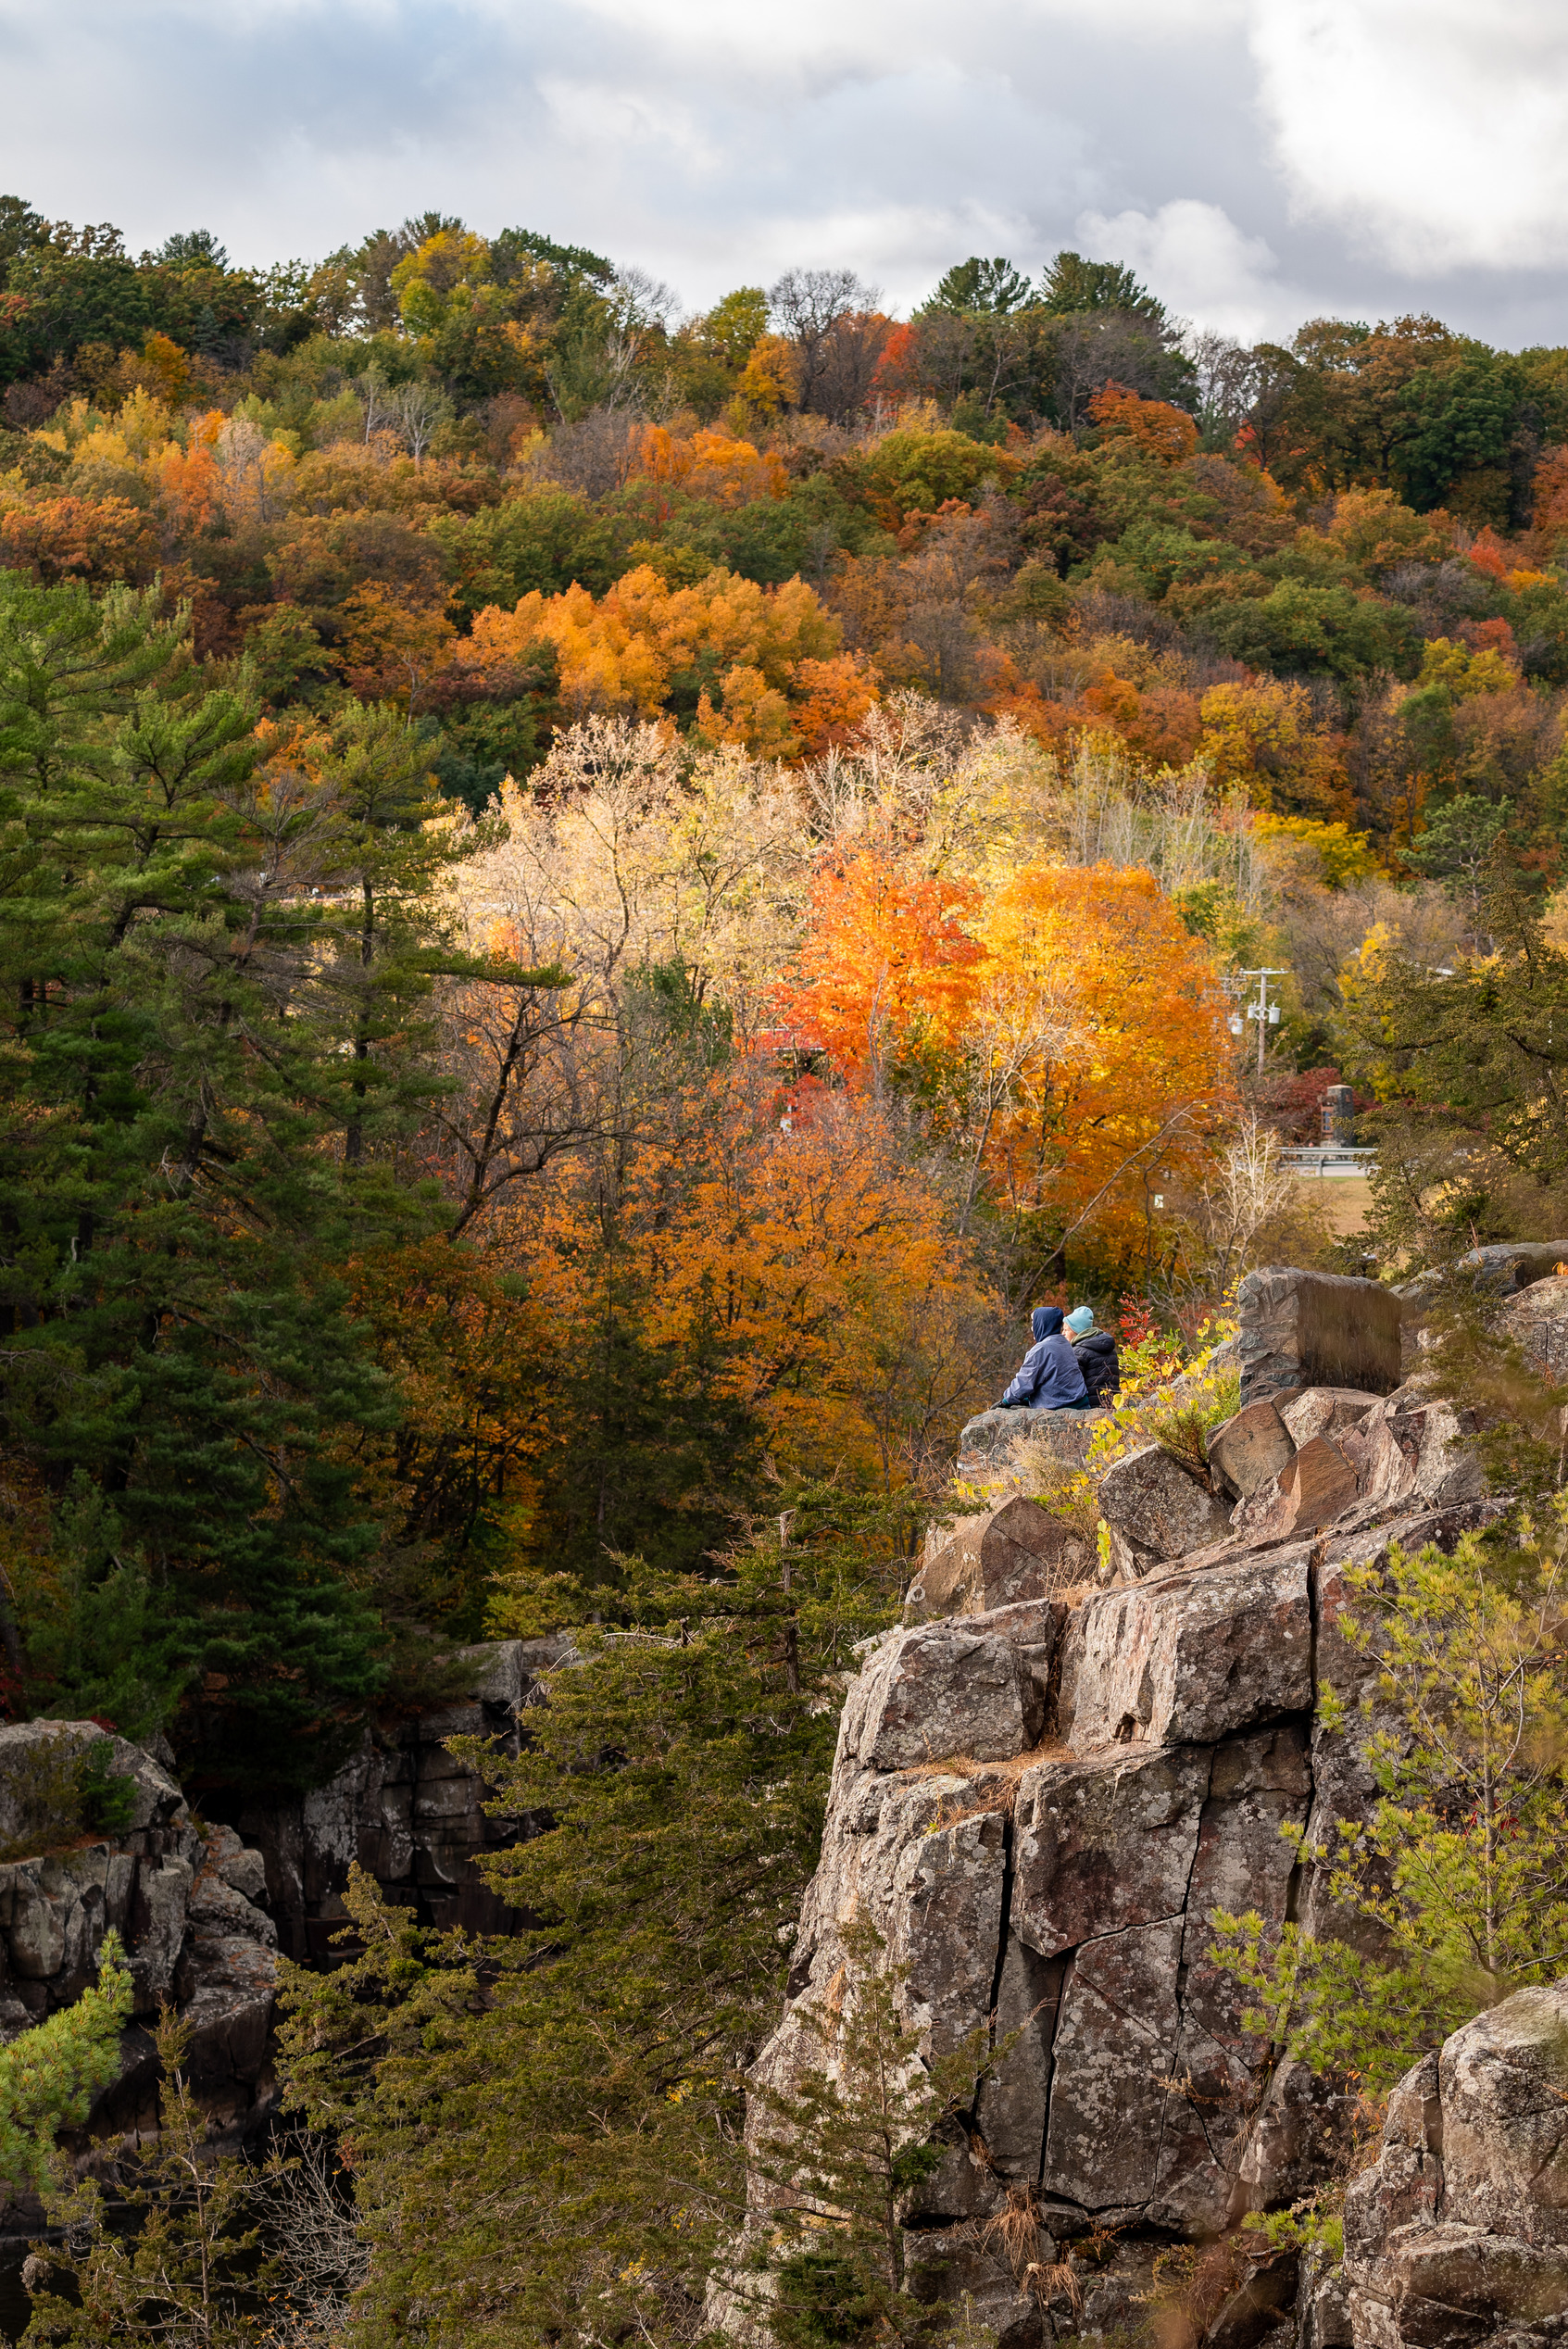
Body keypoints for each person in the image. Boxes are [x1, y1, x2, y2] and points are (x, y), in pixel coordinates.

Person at [994, 1306, 1086, 1412]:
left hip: (1060, 1405)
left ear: (1042, 1324)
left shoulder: (1041, 1349)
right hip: (1080, 1402)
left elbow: (1023, 1384)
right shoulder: (1064, 1343)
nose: (1032, 1328)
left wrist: (1005, 1400)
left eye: (1034, 1322)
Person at [1065, 1305, 1120, 1406]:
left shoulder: (1079, 1352)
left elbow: (1070, 1385)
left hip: (1090, 1409)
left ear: (1076, 1330)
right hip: (1112, 1406)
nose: (1063, 1333)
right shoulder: (1111, 1349)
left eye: (1066, 1330)